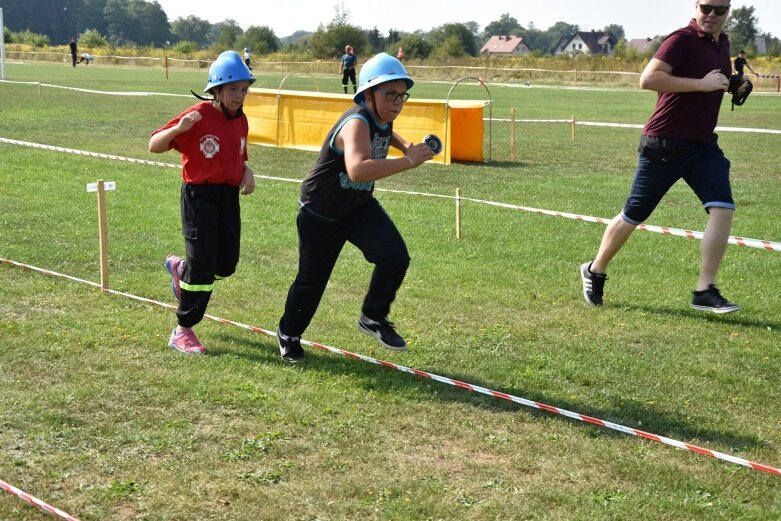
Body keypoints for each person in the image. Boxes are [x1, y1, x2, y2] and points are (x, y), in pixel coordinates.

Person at [580, 0, 740, 314]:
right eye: (706, 7)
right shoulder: (680, 39)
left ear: (728, 11)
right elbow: (649, 79)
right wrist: (703, 85)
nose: (711, 15)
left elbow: (716, 79)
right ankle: (595, 269)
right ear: (696, 6)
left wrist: (734, 83)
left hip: (704, 146)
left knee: (723, 209)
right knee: (633, 215)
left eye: (719, 10)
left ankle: (704, 290)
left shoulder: (723, 43)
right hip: (664, 144)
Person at [276, 52, 435, 362]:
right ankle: (288, 333)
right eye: (390, 94)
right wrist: (408, 161)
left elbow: (386, 133)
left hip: (357, 206)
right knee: (312, 281)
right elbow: (358, 170)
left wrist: (405, 146)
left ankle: (373, 317)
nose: (397, 102)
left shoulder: (381, 117)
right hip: (320, 212)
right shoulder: (355, 123)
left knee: (395, 257)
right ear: (367, 94)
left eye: (402, 95)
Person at [149, 50, 257, 355]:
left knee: (226, 264)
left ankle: (180, 270)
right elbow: (154, 145)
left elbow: (238, 153)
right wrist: (179, 129)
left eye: (244, 90)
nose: (240, 96)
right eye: (234, 89)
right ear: (217, 89)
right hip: (199, 197)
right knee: (204, 266)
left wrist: (246, 170)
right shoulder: (197, 115)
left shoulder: (241, 120)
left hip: (228, 198)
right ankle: (183, 330)